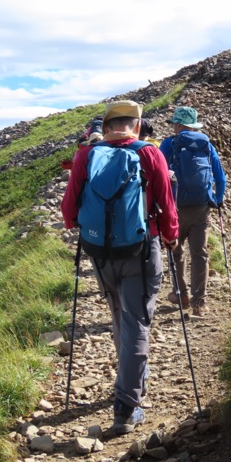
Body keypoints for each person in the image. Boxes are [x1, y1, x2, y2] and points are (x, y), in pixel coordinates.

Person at [61, 100, 179, 434]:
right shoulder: (149, 154)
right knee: (137, 322)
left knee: (118, 314)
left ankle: (131, 375)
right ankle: (126, 408)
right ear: (137, 126)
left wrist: (78, 225)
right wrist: (170, 236)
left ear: (109, 126)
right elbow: (166, 205)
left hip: (100, 252)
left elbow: (69, 208)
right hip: (141, 251)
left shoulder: (87, 155)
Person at [159, 106, 226, 317]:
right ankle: (199, 303)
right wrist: (217, 200)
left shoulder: (169, 144)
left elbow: (160, 175)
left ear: (178, 125)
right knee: (200, 255)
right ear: (194, 125)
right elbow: (220, 177)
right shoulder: (206, 144)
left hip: (175, 207)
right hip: (201, 207)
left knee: (176, 252)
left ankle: (182, 295)